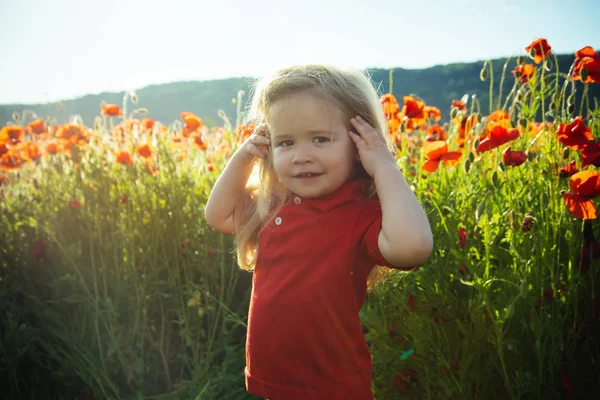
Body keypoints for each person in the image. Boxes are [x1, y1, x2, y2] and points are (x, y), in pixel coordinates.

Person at [204, 64, 434, 400]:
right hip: (274, 379)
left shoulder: (359, 214)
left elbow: (413, 247)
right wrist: (243, 158)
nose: (301, 156)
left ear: (359, 144)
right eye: (285, 142)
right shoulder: (273, 207)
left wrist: (384, 166)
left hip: (333, 385)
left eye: (320, 139)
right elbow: (217, 214)